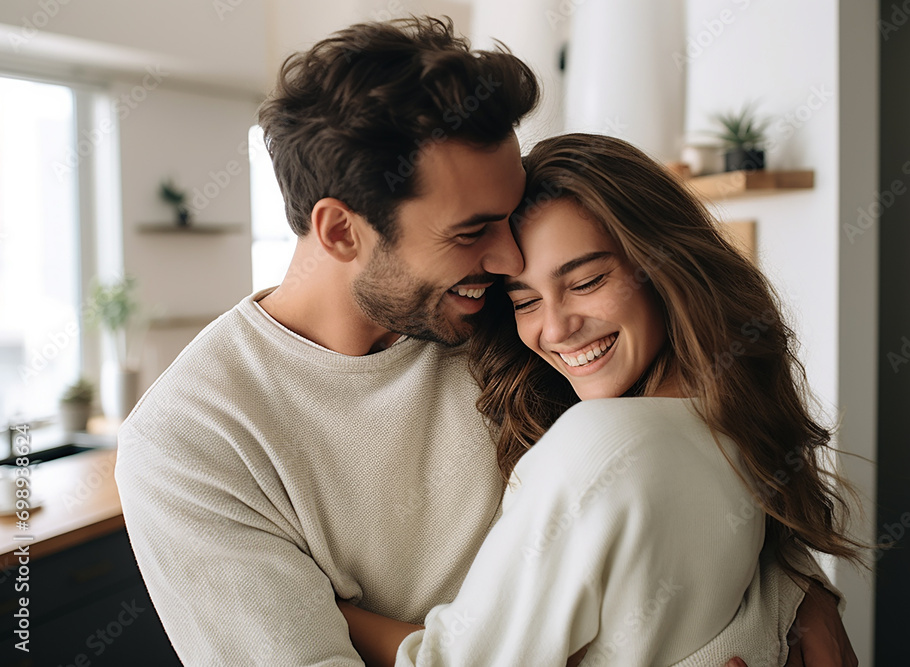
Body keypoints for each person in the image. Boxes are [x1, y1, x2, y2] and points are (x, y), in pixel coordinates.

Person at [115, 17, 856, 666]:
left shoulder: (501, 312)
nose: (509, 261)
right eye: (472, 231)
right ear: (341, 230)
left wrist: (797, 595)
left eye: (506, 216)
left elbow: (680, 461)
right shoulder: (188, 446)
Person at [332, 133, 866, 666]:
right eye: (525, 301)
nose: (557, 328)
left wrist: (330, 608)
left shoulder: (600, 442)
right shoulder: (735, 425)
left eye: (586, 281)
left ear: (665, 265)